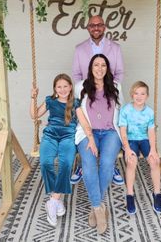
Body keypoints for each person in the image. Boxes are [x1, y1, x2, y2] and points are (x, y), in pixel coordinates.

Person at [30, 73, 96, 227]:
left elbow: (84, 122)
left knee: (66, 163)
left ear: (71, 87)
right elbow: (34, 115)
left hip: (67, 137)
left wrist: (91, 138)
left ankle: (53, 201)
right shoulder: (50, 101)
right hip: (50, 136)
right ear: (55, 88)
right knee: (46, 162)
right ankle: (56, 199)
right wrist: (33, 98)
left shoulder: (75, 103)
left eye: (65, 86)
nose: (62, 89)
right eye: (59, 87)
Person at [71, 15, 124, 186]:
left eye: (99, 24)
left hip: (107, 96)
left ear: (105, 27)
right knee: (87, 132)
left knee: (109, 131)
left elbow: (119, 73)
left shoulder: (115, 48)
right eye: (92, 25)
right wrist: (86, 93)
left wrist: (108, 91)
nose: (96, 27)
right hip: (88, 99)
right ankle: (83, 165)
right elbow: (77, 75)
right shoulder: (79, 49)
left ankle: (110, 166)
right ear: (88, 28)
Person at [75, 54, 124, 234]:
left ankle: (96, 206)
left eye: (103, 65)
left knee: (107, 164)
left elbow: (123, 111)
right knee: (88, 166)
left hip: (111, 132)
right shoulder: (80, 86)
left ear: (107, 68)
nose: (100, 68)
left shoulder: (116, 86)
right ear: (90, 67)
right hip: (87, 133)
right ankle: (98, 208)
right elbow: (77, 112)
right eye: (96, 65)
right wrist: (90, 138)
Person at [118, 81, 161, 215]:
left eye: (142, 93)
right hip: (130, 140)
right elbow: (123, 130)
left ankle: (157, 193)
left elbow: (151, 132)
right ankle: (130, 195)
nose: (139, 96)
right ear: (132, 95)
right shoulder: (125, 110)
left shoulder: (149, 112)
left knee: (154, 161)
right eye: (136, 93)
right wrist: (126, 148)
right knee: (132, 161)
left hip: (144, 139)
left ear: (147, 96)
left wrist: (153, 149)